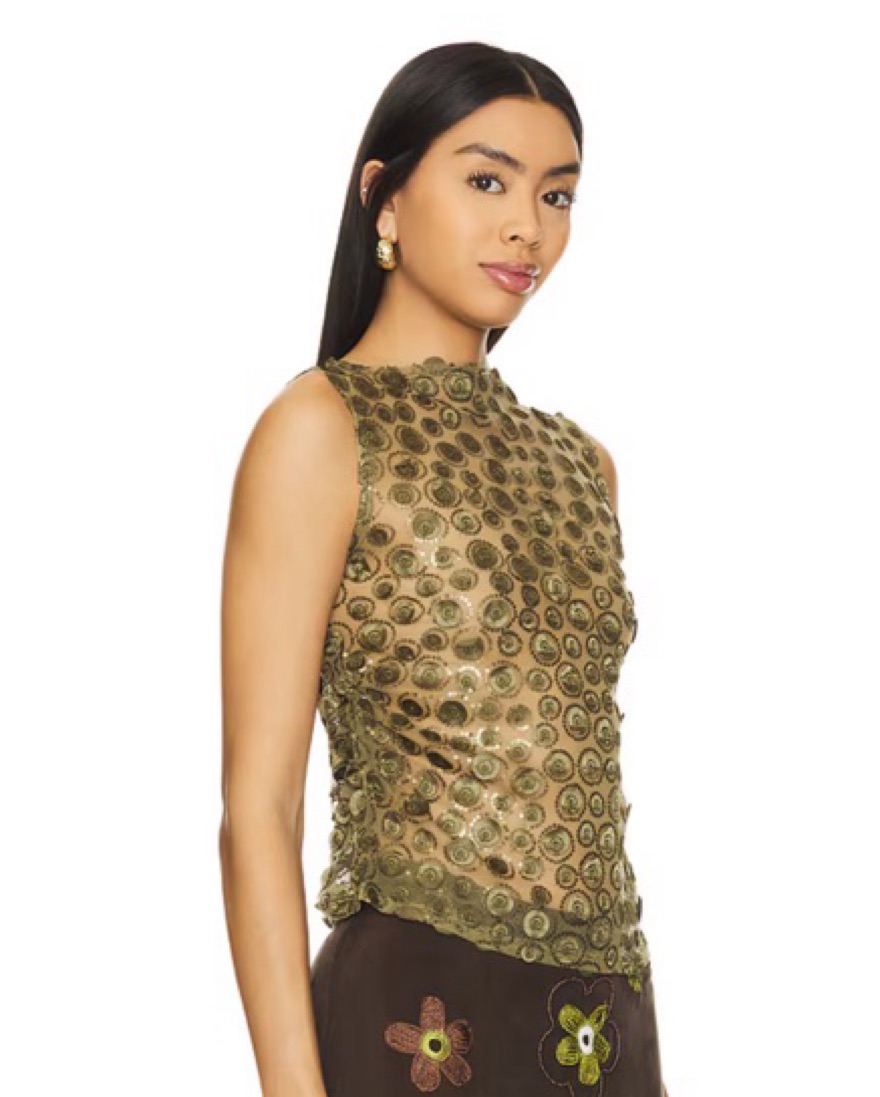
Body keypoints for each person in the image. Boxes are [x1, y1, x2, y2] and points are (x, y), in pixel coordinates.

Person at [219, 41, 669, 1097]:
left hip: (603, 1021)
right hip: (418, 1012)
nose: (528, 228)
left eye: (556, 194)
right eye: (486, 181)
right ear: (384, 196)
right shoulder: (318, 431)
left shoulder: (582, 463)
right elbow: (258, 809)